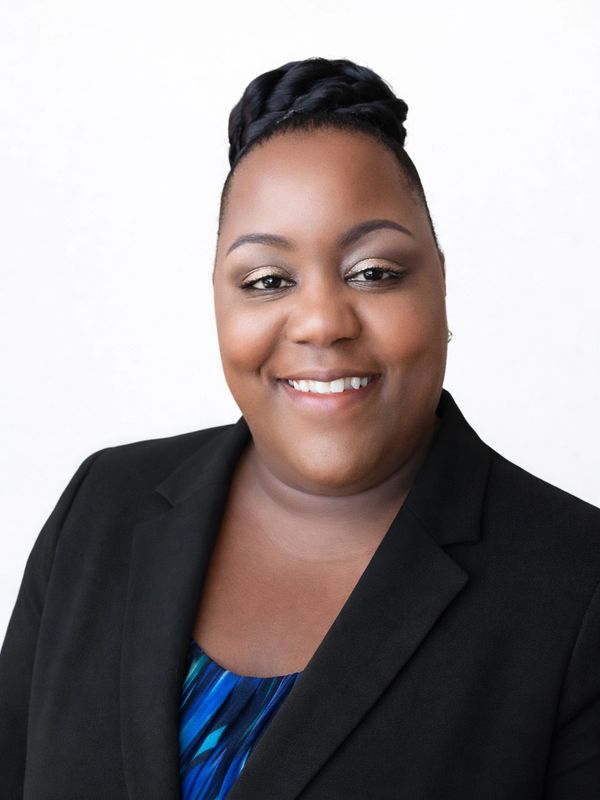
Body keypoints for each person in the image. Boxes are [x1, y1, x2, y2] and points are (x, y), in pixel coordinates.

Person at [1, 56, 599, 800]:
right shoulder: (101, 508)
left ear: (441, 283)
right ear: (219, 301)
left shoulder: (578, 591)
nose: (320, 322)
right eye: (268, 281)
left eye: (373, 272)